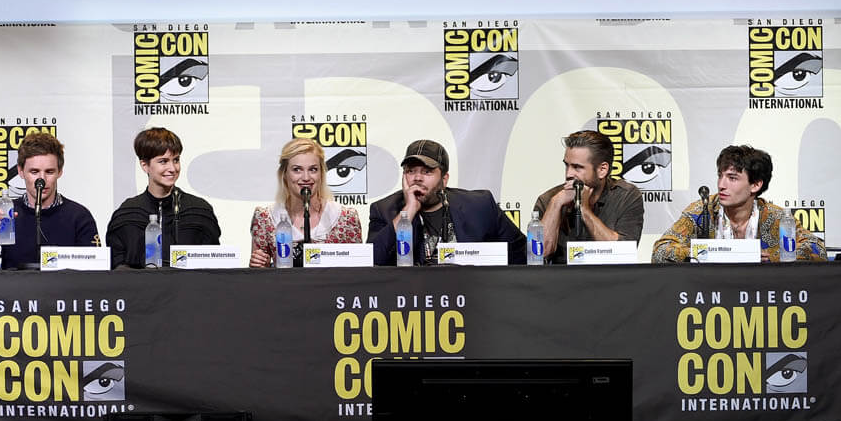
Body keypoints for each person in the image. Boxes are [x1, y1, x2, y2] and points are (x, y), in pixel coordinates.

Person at [652, 144, 826, 263]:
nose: (721, 184)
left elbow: (817, 249)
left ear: (755, 185)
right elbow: (660, 251)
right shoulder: (702, 211)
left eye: (732, 178)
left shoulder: (776, 217)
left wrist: (771, 256)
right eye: (720, 176)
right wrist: (712, 254)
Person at [368, 140, 526, 266]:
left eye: (427, 171)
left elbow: (521, 253)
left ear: (444, 179)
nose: (417, 178)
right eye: (411, 171)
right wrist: (408, 211)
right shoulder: (384, 210)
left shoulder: (480, 205)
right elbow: (371, 263)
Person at [0, 131, 99, 269]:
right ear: (20, 171)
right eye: (34, 172)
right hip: (14, 283)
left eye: (49, 172)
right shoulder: (7, 212)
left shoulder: (79, 216)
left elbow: (96, 267)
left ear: (60, 172)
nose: (41, 180)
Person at [107, 126, 221, 268]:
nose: (172, 168)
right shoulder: (127, 214)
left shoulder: (199, 211)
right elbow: (116, 270)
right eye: (163, 161)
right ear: (145, 165)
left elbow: (213, 268)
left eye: (176, 160)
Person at [533, 130, 644, 263]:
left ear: (602, 170)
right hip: (561, 276)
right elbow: (537, 255)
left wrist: (584, 210)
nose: (568, 174)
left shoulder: (626, 196)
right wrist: (556, 204)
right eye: (567, 165)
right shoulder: (549, 199)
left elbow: (622, 254)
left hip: (609, 276)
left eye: (577, 167)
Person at [249, 138, 363, 267]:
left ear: (321, 173)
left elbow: (358, 271)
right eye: (297, 169)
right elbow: (256, 274)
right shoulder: (265, 218)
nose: (306, 178)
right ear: (284, 174)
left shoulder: (346, 218)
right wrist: (260, 264)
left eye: (313, 169)